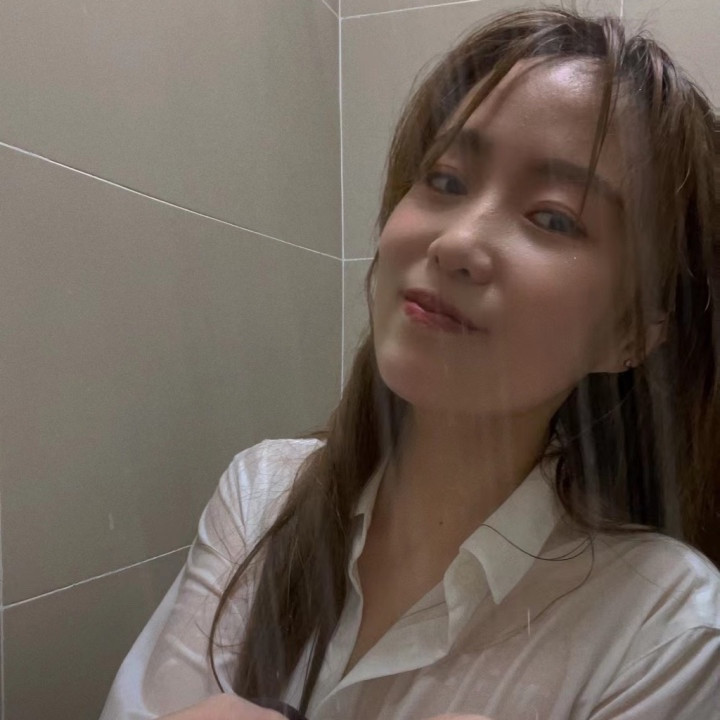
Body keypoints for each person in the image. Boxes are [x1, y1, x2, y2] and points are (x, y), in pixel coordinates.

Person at [100, 7, 720, 720]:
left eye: (553, 217)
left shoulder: (666, 631)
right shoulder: (261, 498)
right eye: (446, 181)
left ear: (631, 334)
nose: (456, 242)